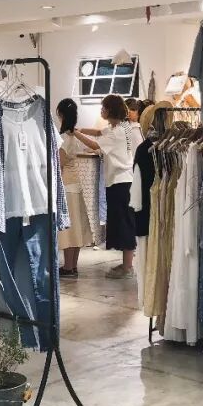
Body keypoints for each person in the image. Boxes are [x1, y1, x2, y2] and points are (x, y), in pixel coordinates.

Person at [72, 94, 136, 279]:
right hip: (121, 181)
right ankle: (126, 264)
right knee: (121, 222)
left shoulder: (117, 133)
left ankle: (127, 267)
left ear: (110, 110)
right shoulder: (120, 127)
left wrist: (74, 133)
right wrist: (80, 129)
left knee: (124, 224)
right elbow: (100, 133)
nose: (101, 110)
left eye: (103, 108)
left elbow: (95, 144)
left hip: (121, 182)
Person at [55, 98, 92, 278]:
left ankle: (68, 267)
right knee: (76, 227)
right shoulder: (74, 137)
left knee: (69, 229)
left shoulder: (63, 139)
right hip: (75, 185)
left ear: (61, 115)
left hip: (66, 186)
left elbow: (59, 164)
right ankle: (73, 266)